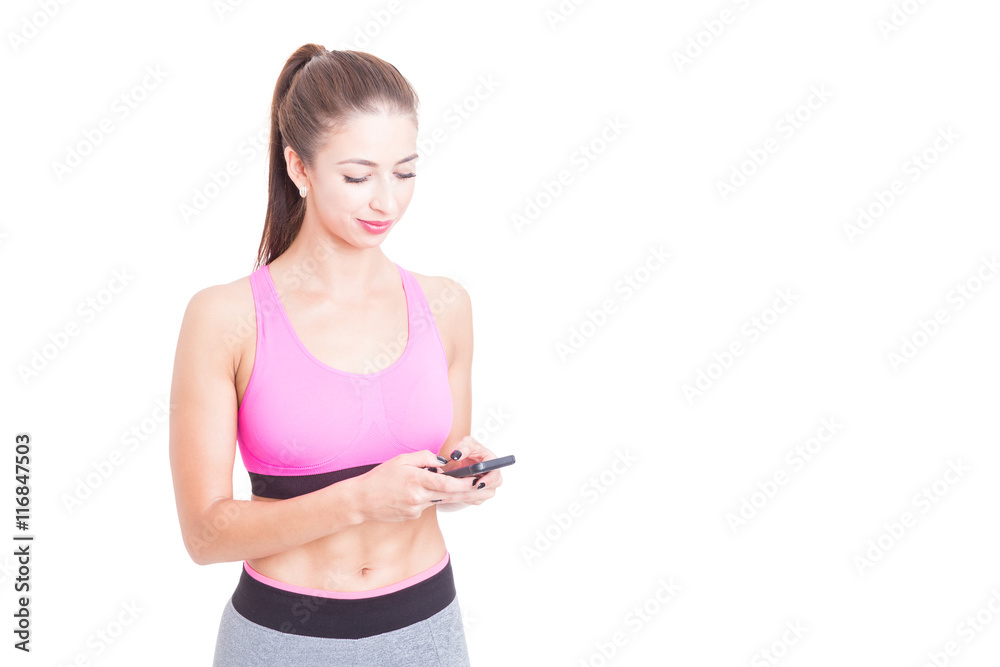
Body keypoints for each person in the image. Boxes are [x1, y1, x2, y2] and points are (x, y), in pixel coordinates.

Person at [168, 44, 503, 666]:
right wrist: (357, 500)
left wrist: (462, 476)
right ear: (299, 167)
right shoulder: (225, 318)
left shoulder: (446, 305)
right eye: (358, 177)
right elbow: (204, 535)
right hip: (281, 641)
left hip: (425, 630)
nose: (387, 202)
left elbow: (438, 469)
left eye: (404, 173)